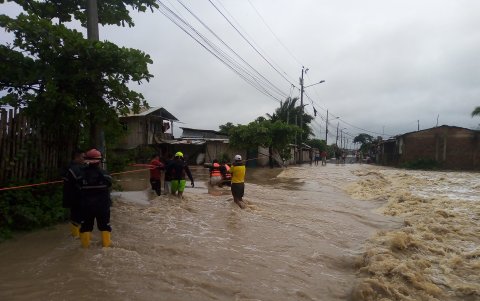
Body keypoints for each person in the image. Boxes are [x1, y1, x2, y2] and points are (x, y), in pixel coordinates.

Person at [78, 148, 113, 248]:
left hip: (86, 207)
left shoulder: (81, 175)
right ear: (99, 161)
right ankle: (106, 249)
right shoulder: (105, 175)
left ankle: (84, 249)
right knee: (105, 227)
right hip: (102, 207)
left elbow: (78, 186)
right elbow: (110, 184)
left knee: (85, 227)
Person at [62, 149, 85, 238]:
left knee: (76, 216)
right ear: (77, 157)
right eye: (83, 157)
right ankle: (76, 236)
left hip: (74, 196)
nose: (84, 159)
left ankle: (76, 235)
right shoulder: (73, 168)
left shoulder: (72, 167)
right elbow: (80, 181)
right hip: (75, 196)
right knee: (77, 217)